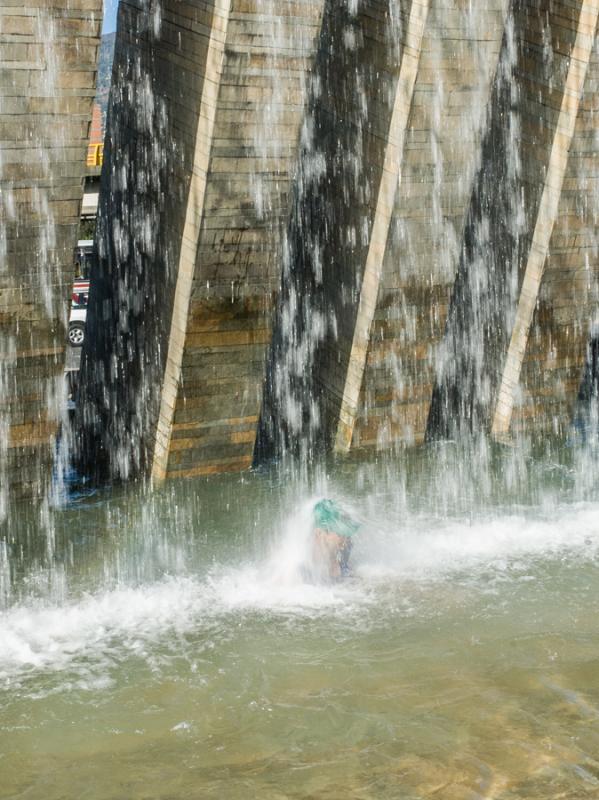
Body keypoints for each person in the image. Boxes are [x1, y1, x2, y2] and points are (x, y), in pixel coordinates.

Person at [309, 499, 360, 581]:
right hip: (337, 566)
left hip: (331, 568)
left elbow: (315, 557)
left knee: (335, 563)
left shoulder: (321, 530)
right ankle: (339, 571)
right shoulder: (338, 531)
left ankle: (337, 572)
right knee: (337, 564)